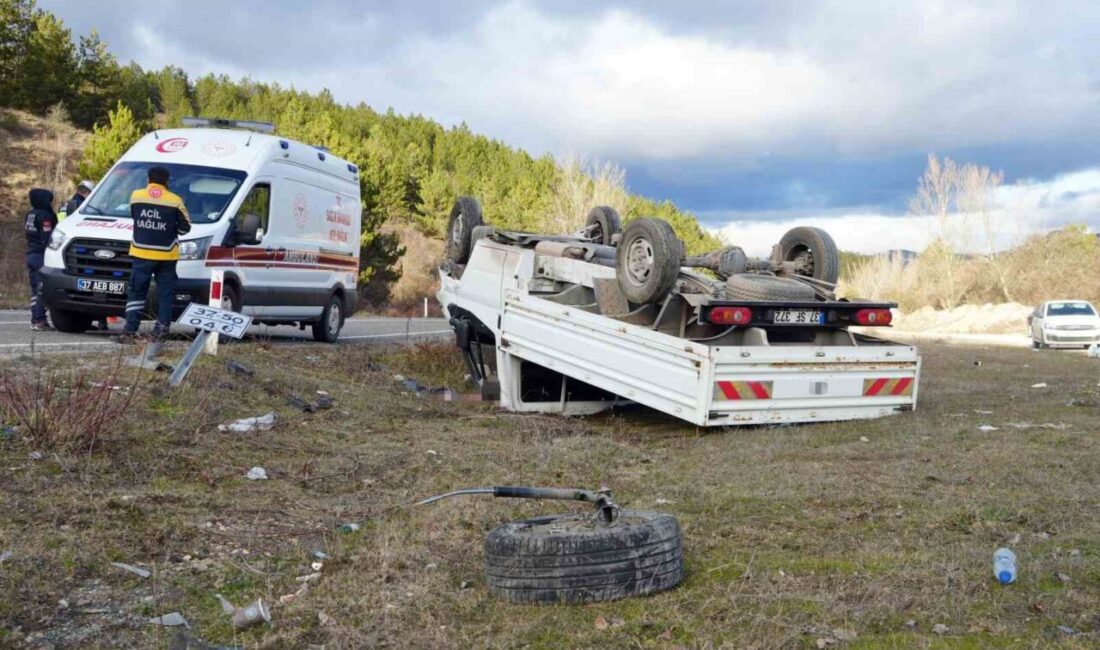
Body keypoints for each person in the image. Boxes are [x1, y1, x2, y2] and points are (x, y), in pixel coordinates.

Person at [115, 167, 191, 341]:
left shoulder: (136, 196)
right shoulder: (175, 200)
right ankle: (161, 331)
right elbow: (185, 227)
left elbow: (135, 217)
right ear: (167, 181)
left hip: (141, 252)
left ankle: (129, 331)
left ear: (148, 179)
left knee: (137, 292)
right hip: (166, 256)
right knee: (165, 294)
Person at [23, 188, 57, 331]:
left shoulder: (30, 214)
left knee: (34, 289)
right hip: (40, 256)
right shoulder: (44, 216)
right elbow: (46, 239)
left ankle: (34, 318)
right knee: (41, 289)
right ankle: (39, 320)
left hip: (30, 253)